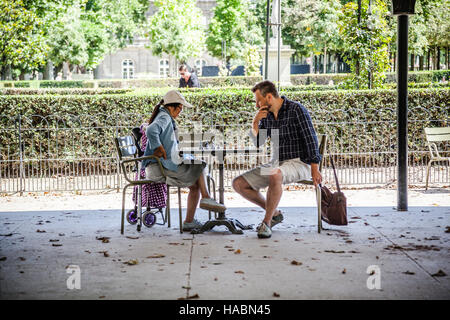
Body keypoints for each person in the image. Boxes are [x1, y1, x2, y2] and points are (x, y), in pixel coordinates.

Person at [232, 80, 322, 239]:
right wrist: (255, 122)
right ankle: (275, 213)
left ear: (268, 97)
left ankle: (266, 223)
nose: (256, 105)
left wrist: (315, 169)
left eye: (258, 101)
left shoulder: (296, 109)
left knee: (275, 174)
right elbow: (258, 143)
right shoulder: (266, 116)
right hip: (277, 164)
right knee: (239, 184)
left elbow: (311, 139)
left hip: (299, 162)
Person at [142, 90, 224, 231]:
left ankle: (189, 222)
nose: (180, 111)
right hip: (159, 168)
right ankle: (206, 197)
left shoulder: (165, 116)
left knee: (195, 183)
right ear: (172, 106)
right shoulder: (164, 117)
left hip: (160, 166)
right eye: (180, 107)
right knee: (200, 166)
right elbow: (150, 130)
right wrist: (158, 147)